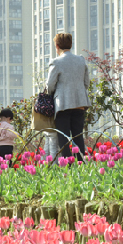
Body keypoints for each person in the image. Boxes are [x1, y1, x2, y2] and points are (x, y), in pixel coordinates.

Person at [47, 33, 90, 161]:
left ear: (57, 46)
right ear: (71, 44)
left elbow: (49, 85)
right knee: (78, 136)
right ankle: (80, 163)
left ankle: (68, 164)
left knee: (63, 137)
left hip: (63, 104)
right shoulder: (81, 60)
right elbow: (86, 83)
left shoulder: (56, 62)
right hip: (80, 103)